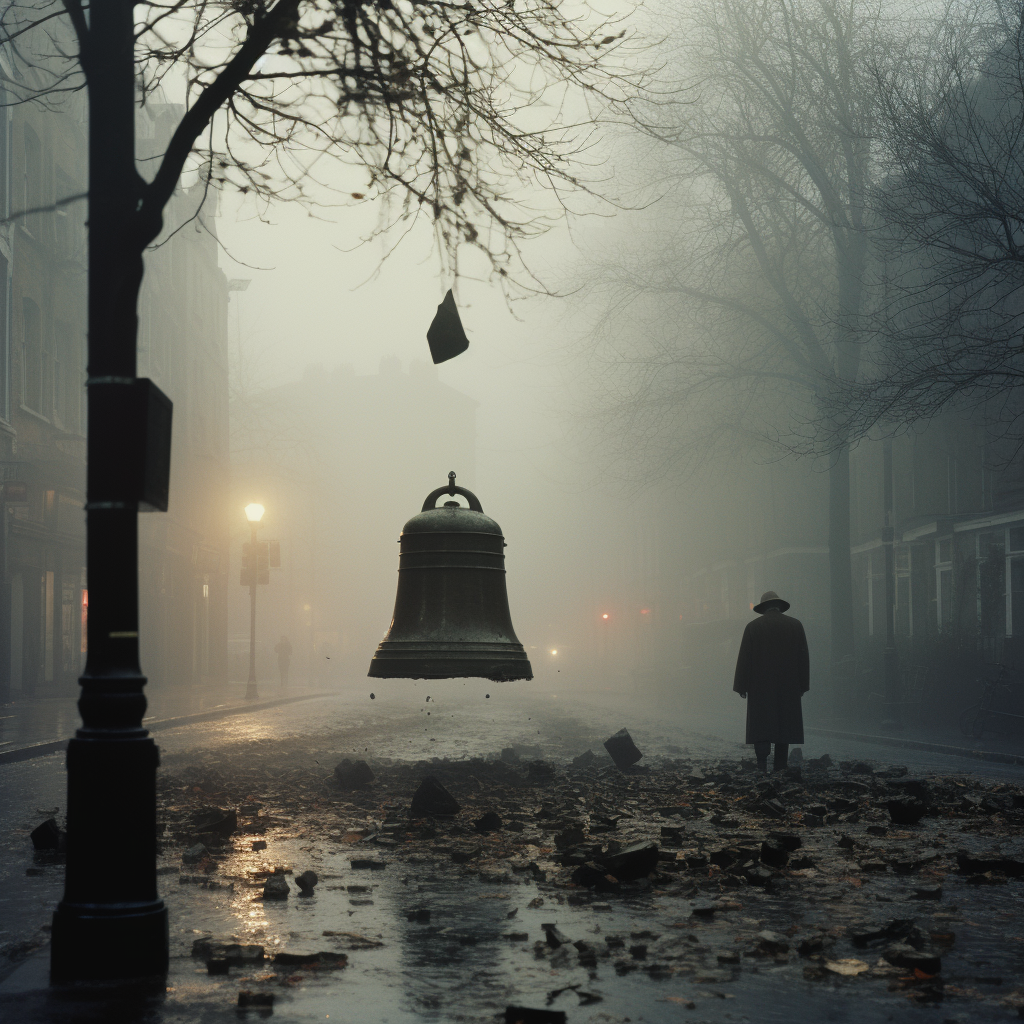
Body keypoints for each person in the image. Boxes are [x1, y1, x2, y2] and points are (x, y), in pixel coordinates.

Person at [733, 590, 809, 773]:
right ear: (779, 607)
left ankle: (761, 765)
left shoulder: (753, 627)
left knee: (761, 725)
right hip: (788, 685)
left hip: (760, 686)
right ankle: (780, 766)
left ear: (763, 607)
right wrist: (802, 685)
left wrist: (742, 686)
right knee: (784, 725)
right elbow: (803, 658)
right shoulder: (795, 625)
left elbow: (745, 658)